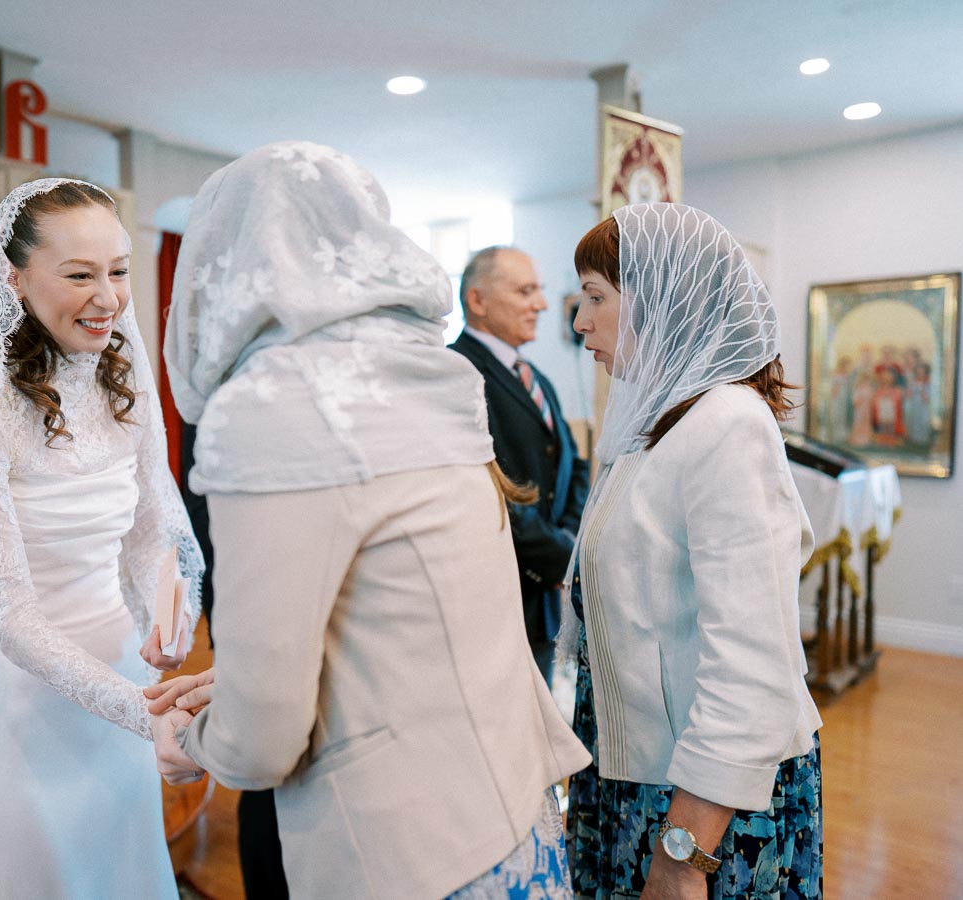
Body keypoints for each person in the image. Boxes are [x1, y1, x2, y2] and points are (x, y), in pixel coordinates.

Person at [149, 141, 590, 900]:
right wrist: (247, 678)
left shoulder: (267, 407)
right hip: (511, 815)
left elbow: (262, 745)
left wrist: (191, 739)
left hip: (405, 850)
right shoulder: (436, 372)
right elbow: (403, 621)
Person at [0, 178, 204, 899]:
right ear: (16, 277)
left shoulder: (120, 376)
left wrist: (166, 617)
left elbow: (154, 527)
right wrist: (143, 711)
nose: (109, 297)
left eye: (118, 270)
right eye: (80, 274)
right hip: (19, 714)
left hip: (122, 682)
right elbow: (10, 617)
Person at [568, 203, 823, 899]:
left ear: (659, 301)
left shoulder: (727, 426)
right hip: (639, 780)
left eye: (596, 298)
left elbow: (752, 664)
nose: (579, 322)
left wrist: (683, 857)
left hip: (704, 803)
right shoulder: (655, 429)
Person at [450, 246, 590, 683]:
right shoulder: (456, 372)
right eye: (526, 291)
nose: (543, 305)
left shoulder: (534, 376)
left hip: (542, 600)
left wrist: (570, 534)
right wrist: (561, 557)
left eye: (540, 291)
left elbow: (574, 464)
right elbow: (483, 485)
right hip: (495, 591)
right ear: (477, 300)